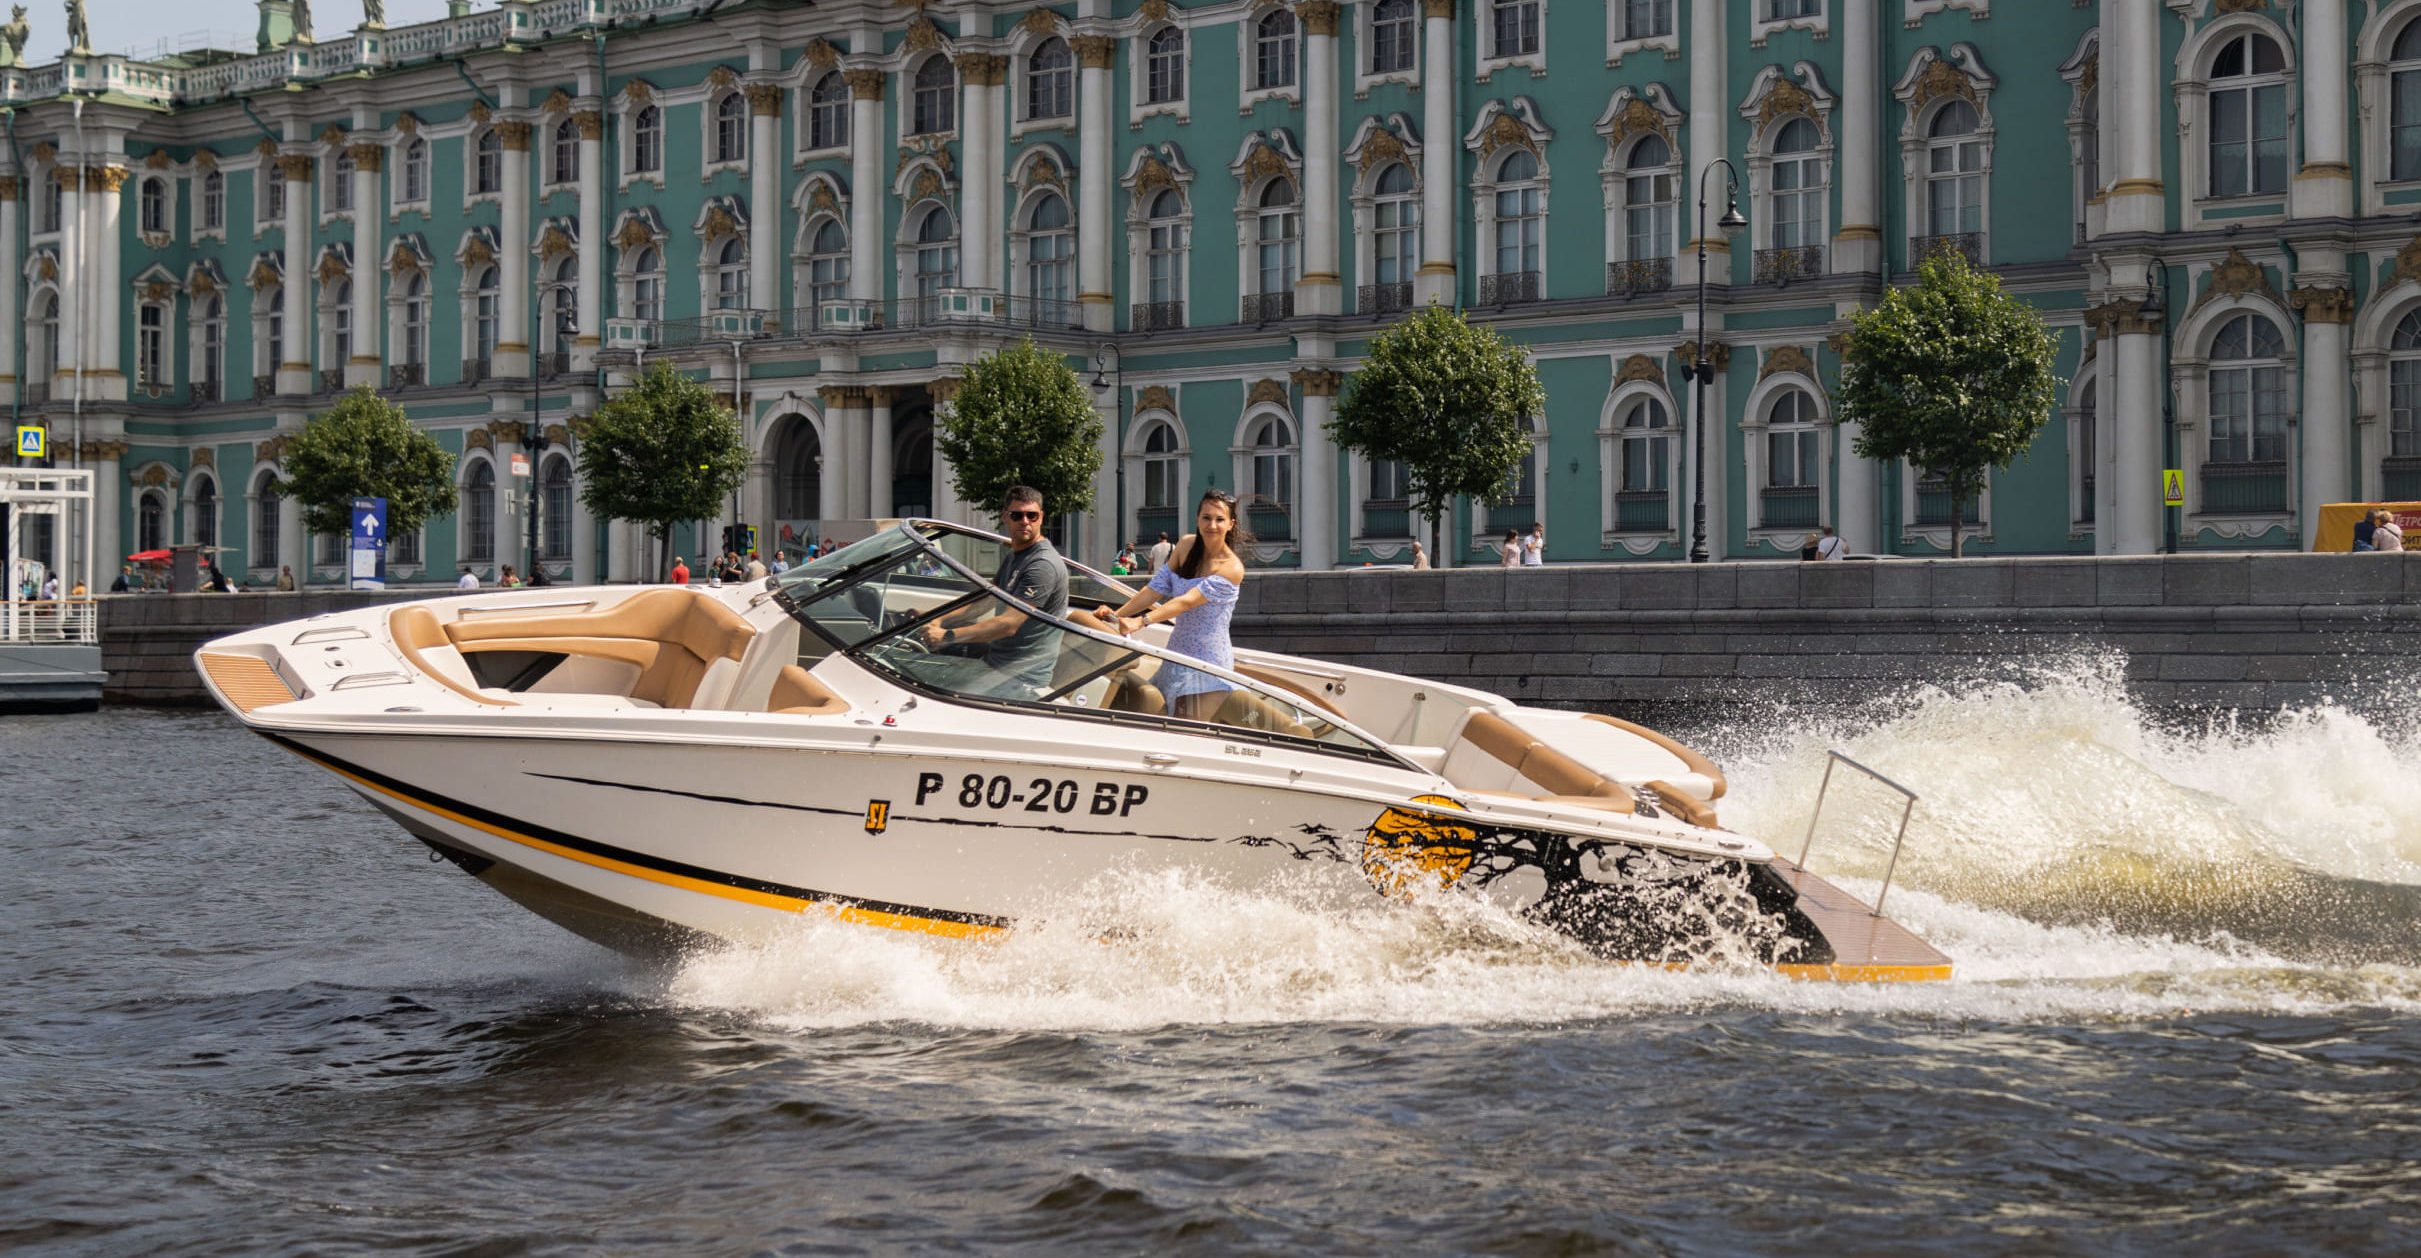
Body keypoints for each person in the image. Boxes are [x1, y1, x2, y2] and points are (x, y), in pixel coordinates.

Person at [1097, 489, 1248, 722]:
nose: (1212, 525)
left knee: (1184, 732)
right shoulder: (1186, 546)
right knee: (1158, 725)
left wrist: (1140, 621)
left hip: (1209, 663)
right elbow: (1153, 590)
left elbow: (1186, 602)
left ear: (1231, 524)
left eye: (1220, 519)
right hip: (1176, 654)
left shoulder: (1232, 568)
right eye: (1206, 517)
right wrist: (1116, 616)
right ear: (1197, 519)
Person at [919, 486, 1069, 696]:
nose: (1025, 521)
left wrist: (947, 636)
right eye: (1017, 515)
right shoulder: (1016, 555)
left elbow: (1008, 625)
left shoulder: (1042, 564)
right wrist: (938, 620)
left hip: (1021, 679)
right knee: (921, 672)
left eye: (1032, 515)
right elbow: (986, 600)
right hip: (996, 665)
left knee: (927, 692)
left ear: (1041, 518)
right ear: (1006, 517)